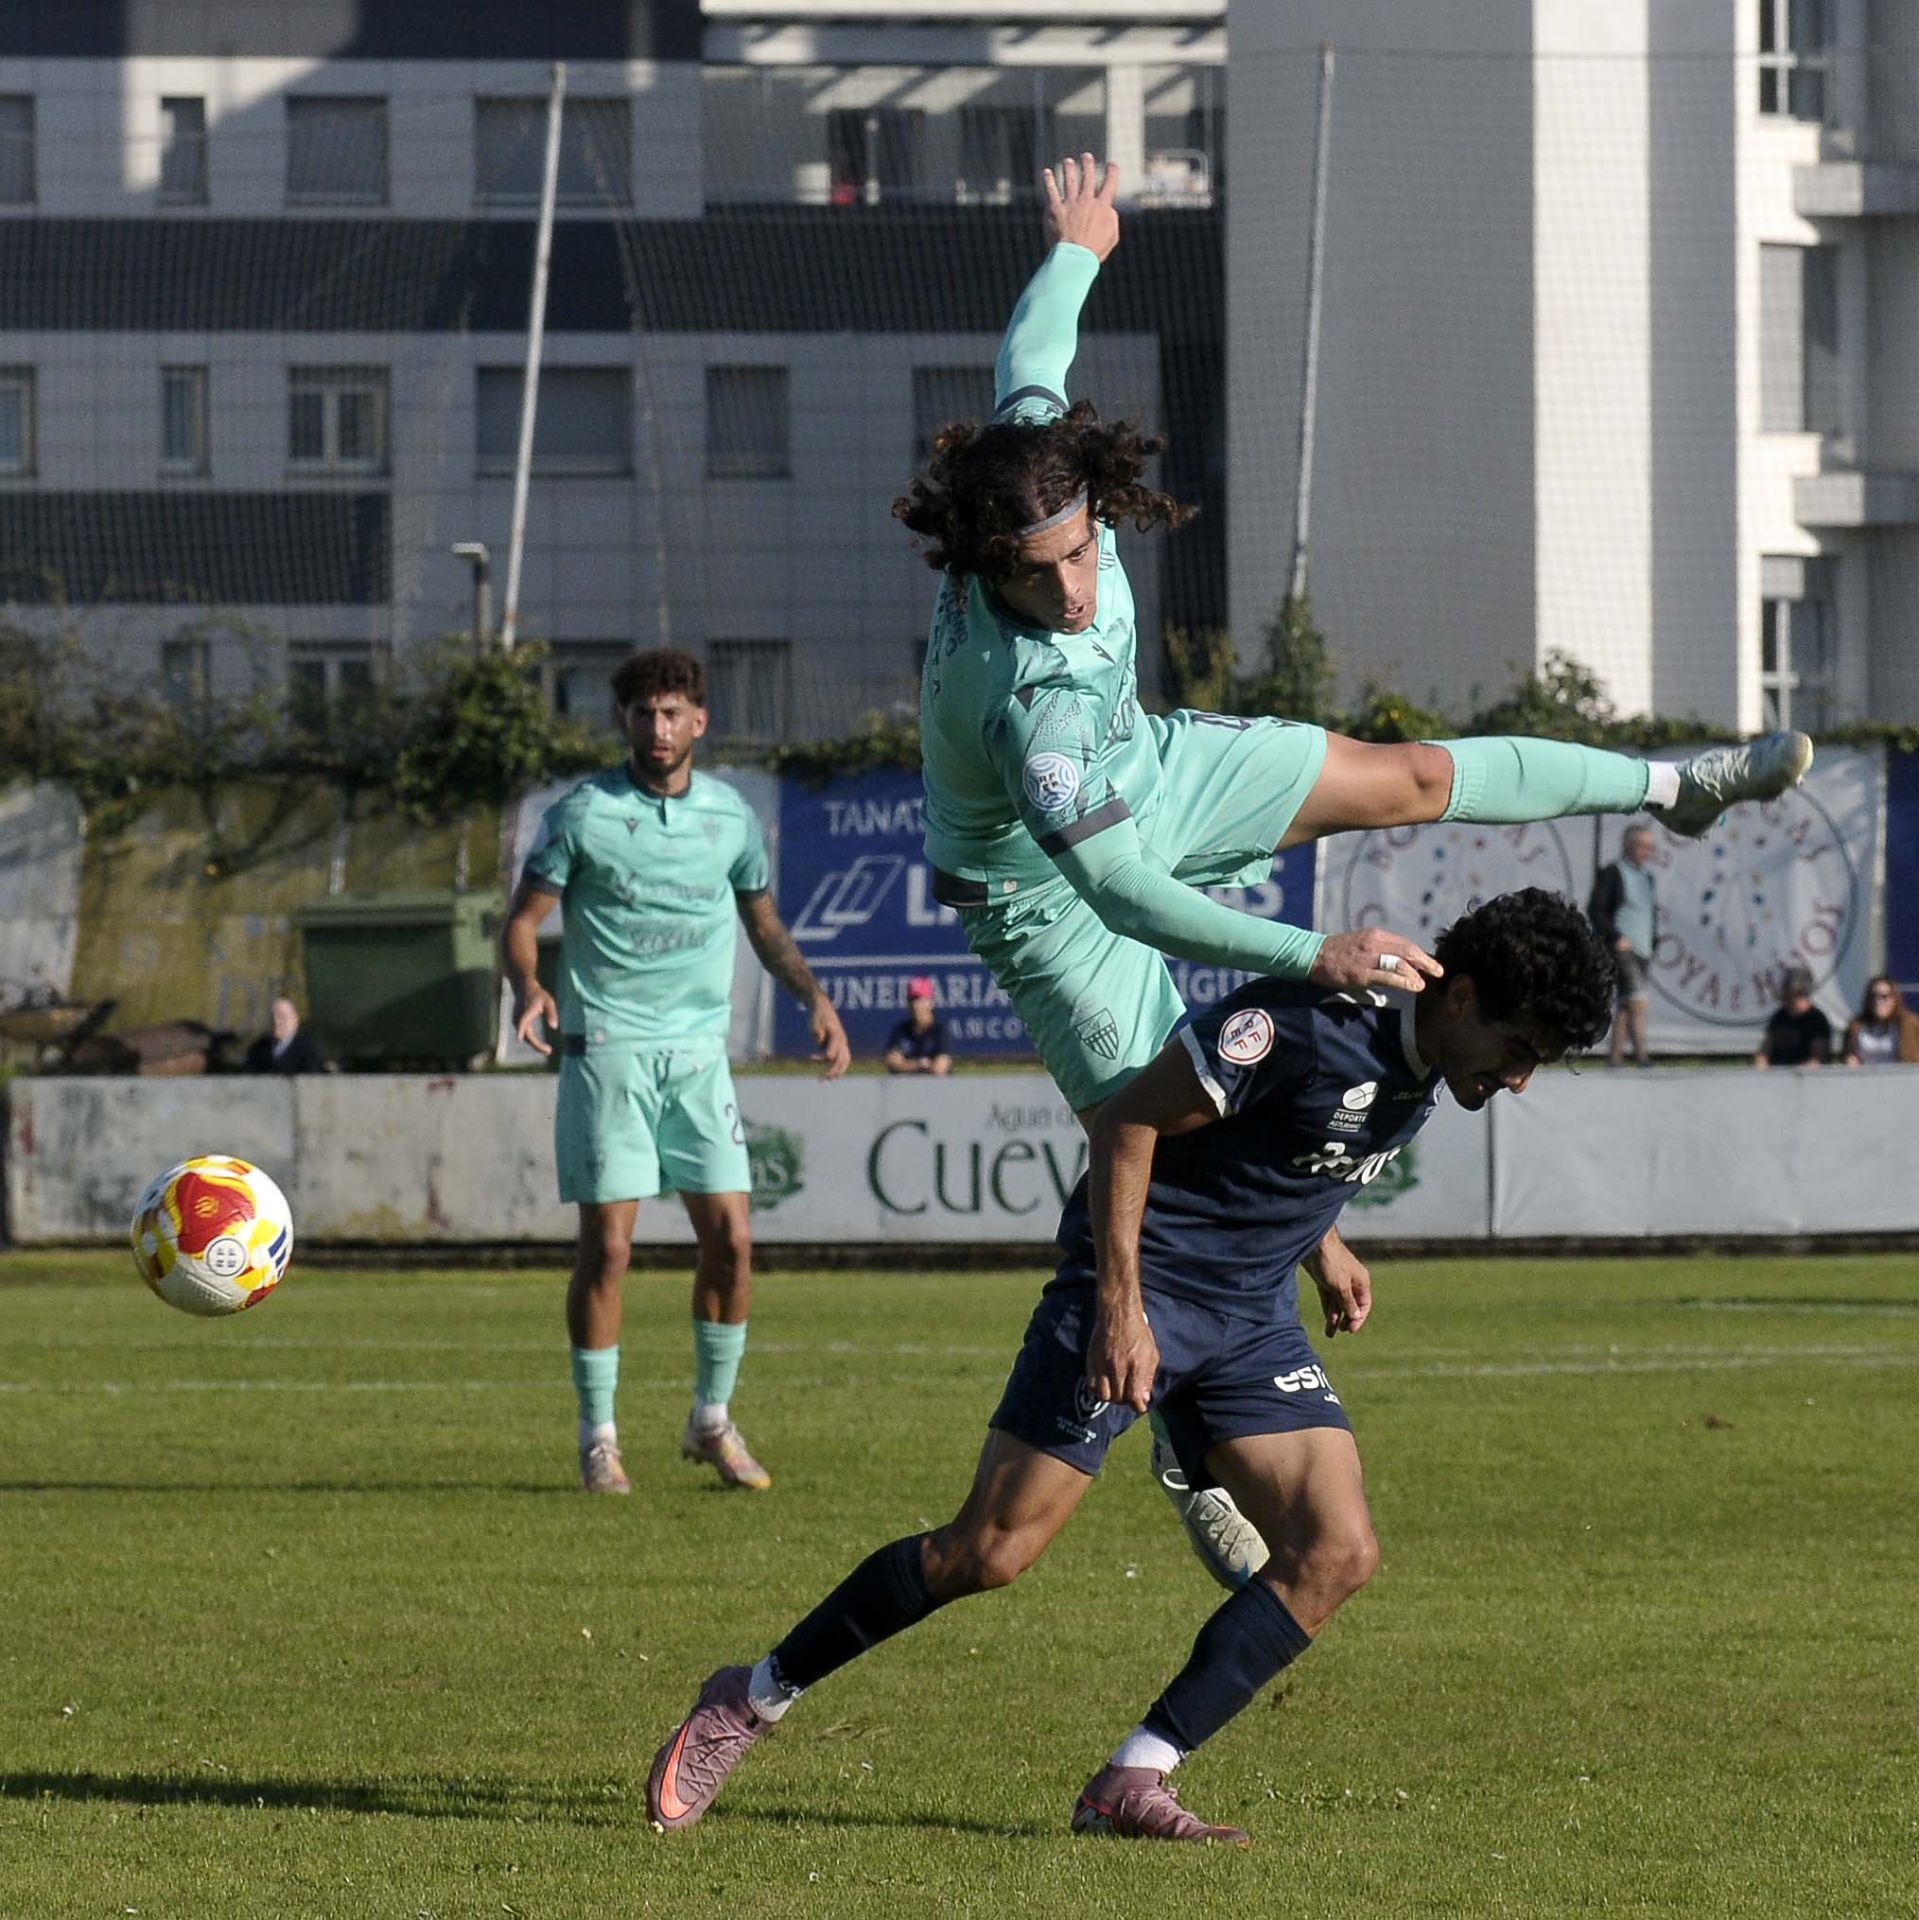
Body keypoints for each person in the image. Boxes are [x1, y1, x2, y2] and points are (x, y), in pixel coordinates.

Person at [909, 149, 1812, 1577]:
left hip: (1146, 762)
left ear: (1080, 496)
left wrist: (1078, 247)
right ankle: (1178, 1425)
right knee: (1163, 1118)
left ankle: (1674, 781)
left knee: (1408, 776)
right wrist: (1304, 954)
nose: (1072, 586)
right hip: (1044, 879)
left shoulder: (1033, 470)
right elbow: (1125, 895)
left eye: (1082, 551)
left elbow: (1031, 351)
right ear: (986, 554)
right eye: (1040, 572)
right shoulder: (1020, 708)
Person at [644, 888, 1615, 1845]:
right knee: (987, 1553)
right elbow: (1127, 1124)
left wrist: (1323, 1246)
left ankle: (1132, 1776)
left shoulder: (1431, 1060)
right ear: (1459, 997)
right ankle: (751, 1697)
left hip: (1247, 1323)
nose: (1518, 1078)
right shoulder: (1299, 1025)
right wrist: (1117, 1307)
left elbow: (1285, 1149)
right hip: (1135, 1292)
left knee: (1335, 1553)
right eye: (1519, 1050)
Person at [500, 648, 852, 1498]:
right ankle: (599, 1438)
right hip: (607, 1050)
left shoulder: (729, 819)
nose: (657, 729)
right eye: (642, 714)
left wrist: (812, 997)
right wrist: (530, 985)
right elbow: (520, 920)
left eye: (672, 714)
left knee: (732, 1241)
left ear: (698, 721)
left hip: (698, 1059)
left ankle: (710, 1422)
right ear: (623, 721)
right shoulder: (584, 814)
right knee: (609, 1250)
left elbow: (762, 924)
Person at [1587, 822, 1658, 1067]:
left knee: (1627, 1005)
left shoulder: (1648, 877)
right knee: (1638, 1000)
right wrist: (1615, 937)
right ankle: (1642, 1056)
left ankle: (1615, 1058)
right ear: (1628, 845)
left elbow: (1649, 912)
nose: (1646, 852)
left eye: (1650, 847)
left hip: (1643, 948)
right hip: (1622, 948)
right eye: (1641, 846)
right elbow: (1596, 910)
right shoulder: (1612, 873)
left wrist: (1653, 941)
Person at [1754, 965, 1832, 1069]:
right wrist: (1761, 1066)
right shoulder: (1778, 1017)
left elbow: (1817, 1059)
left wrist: (1796, 1074)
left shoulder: (1817, 1020)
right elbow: (1765, 1050)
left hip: (1805, 1078)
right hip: (1776, 1075)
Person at [882, 976, 954, 1076]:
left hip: (936, 1089)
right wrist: (920, 1064)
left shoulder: (940, 1031)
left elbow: (939, 1068)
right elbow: (892, 1063)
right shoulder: (901, 1030)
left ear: (930, 1002)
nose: (915, 1004)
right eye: (911, 999)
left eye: (920, 999)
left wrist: (904, 1065)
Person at [1841, 975, 1919, 1066]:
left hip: (1898, 1077)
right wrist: (1850, 1058)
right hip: (1864, 1077)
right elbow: (1847, 1054)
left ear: (1894, 999)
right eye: (1873, 996)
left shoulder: (1909, 1023)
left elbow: (1913, 1057)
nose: (1878, 1001)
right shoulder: (1856, 1024)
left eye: (1884, 996)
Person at [242, 995, 326, 1075]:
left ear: (295, 1020)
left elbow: (311, 1079)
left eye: (282, 1017)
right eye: (272, 1017)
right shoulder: (258, 1048)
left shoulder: (309, 1049)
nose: (276, 1022)